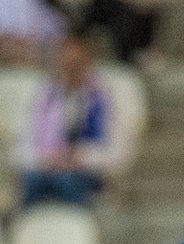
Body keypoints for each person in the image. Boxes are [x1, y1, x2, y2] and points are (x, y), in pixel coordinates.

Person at [15, 30, 127, 207]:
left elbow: (118, 154)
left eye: (76, 65)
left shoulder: (106, 97)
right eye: (66, 65)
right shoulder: (43, 97)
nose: (70, 71)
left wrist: (80, 157)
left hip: (89, 172)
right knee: (31, 180)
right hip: (48, 167)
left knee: (66, 180)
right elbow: (22, 148)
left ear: (88, 63)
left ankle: (77, 228)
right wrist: (49, 158)